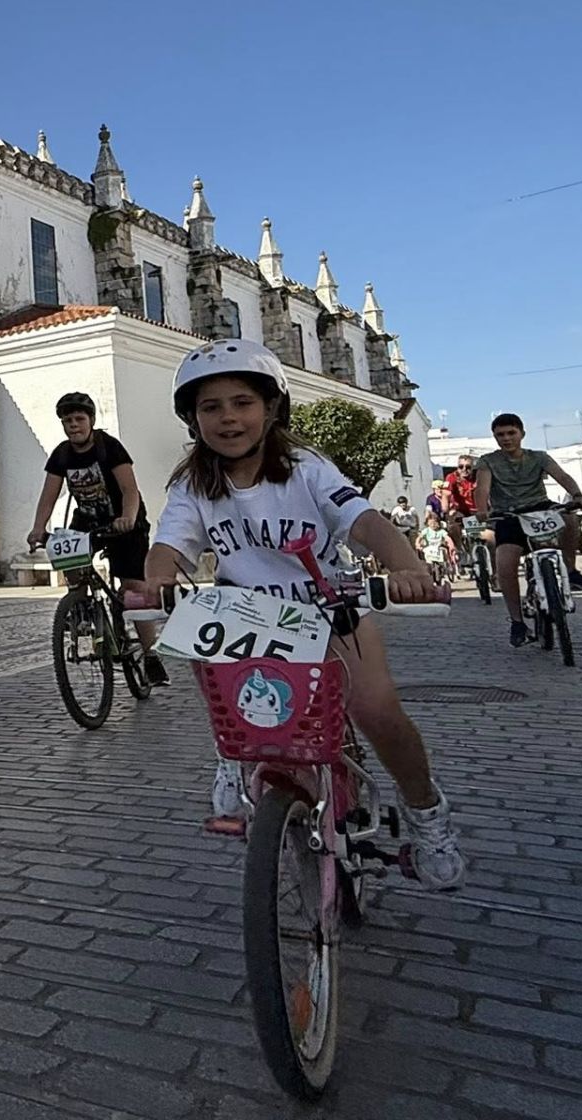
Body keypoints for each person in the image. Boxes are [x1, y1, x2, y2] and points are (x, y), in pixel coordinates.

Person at [132, 339, 466, 889]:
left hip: (330, 610)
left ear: (271, 409)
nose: (228, 417)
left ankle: (427, 813)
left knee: (377, 712)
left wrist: (408, 569)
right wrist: (157, 581)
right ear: (193, 420)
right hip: (247, 619)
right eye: (210, 407)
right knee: (209, 658)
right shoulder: (193, 485)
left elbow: (364, 521)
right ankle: (233, 756)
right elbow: (170, 546)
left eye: (242, 401)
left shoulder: (307, 468)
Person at [26, 393, 169, 683]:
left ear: (91, 421)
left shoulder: (109, 448)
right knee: (69, 559)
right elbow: (48, 496)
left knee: (132, 585)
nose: (74, 426)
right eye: (68, 421)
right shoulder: (62, 455)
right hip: (89, 520)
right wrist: (37, 528)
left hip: (124, 520)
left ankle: (151, 654)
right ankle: (80, 609)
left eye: (79, 419)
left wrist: (128, 518)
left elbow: (130, 489)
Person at [474, 412, 582, 649]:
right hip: (509, 515)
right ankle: (517, 622)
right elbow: (482, 487)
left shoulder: (539, 457)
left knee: (569, 518)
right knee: (505, 565)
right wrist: (482, 510)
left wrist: (577, 496)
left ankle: (571, 570)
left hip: (540, 509)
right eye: (500, 435)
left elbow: (561, 475)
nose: (506, 438)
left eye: (511, 433)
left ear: (522, 433)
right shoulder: (487, 461)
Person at [417, 512, 456, 587]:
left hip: (439, 548)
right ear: (428, 524)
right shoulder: (426, 531)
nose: (433, 525)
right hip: (429, 549)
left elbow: (448, 538)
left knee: (443, 551)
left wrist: (451, 545)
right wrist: (418, 544)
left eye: (435, 523)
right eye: (431, 523)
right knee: (427, 561)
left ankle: (446, 566)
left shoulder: (441, 531)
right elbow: (419, 538)